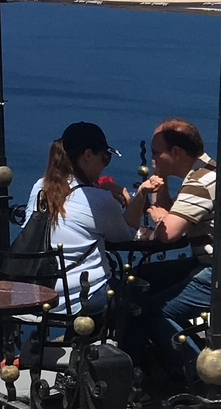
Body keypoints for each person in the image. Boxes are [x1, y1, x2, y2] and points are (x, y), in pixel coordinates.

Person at [132, 118, 221, 382]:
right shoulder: (207, 171)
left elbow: (168, 234)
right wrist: (161, 181)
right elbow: (176, 215)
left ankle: (200, 376)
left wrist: (161, 217)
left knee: (155, 310)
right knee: (145, 276)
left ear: (176, 152)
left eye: (156, 152)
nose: (152, 158)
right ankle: (146, 364)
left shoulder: (200, 182)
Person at [24, 121, 151, 315]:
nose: (104, 166)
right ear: (88, 155)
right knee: (144, 302)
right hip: (81, 297)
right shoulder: (98, 200)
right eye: (105, 158)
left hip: (39, 293)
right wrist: (139, 197)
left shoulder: (40, 187)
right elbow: (126, 235)